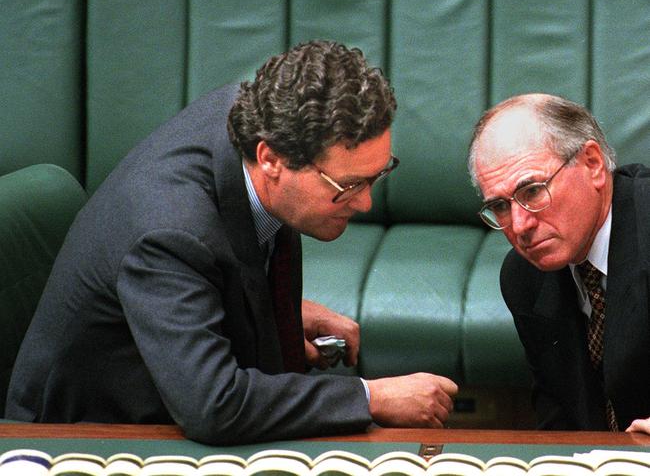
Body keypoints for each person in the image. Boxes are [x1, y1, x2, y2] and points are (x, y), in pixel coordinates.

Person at [6, 40, 458, 444]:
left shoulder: (255, 111)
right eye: (346, 187)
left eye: (377, 176)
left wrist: (263, 309)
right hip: (82, 440)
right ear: (271, 159)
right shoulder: (170, 233)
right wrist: (368, 396)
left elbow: (206, 269)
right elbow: (214, 406)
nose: (365, 204)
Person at [467, 93, 650, 434]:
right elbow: (560, 424)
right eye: (501, 207)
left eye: (533, 191)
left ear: (593, 164)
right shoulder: (524, 277)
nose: (520, 225)